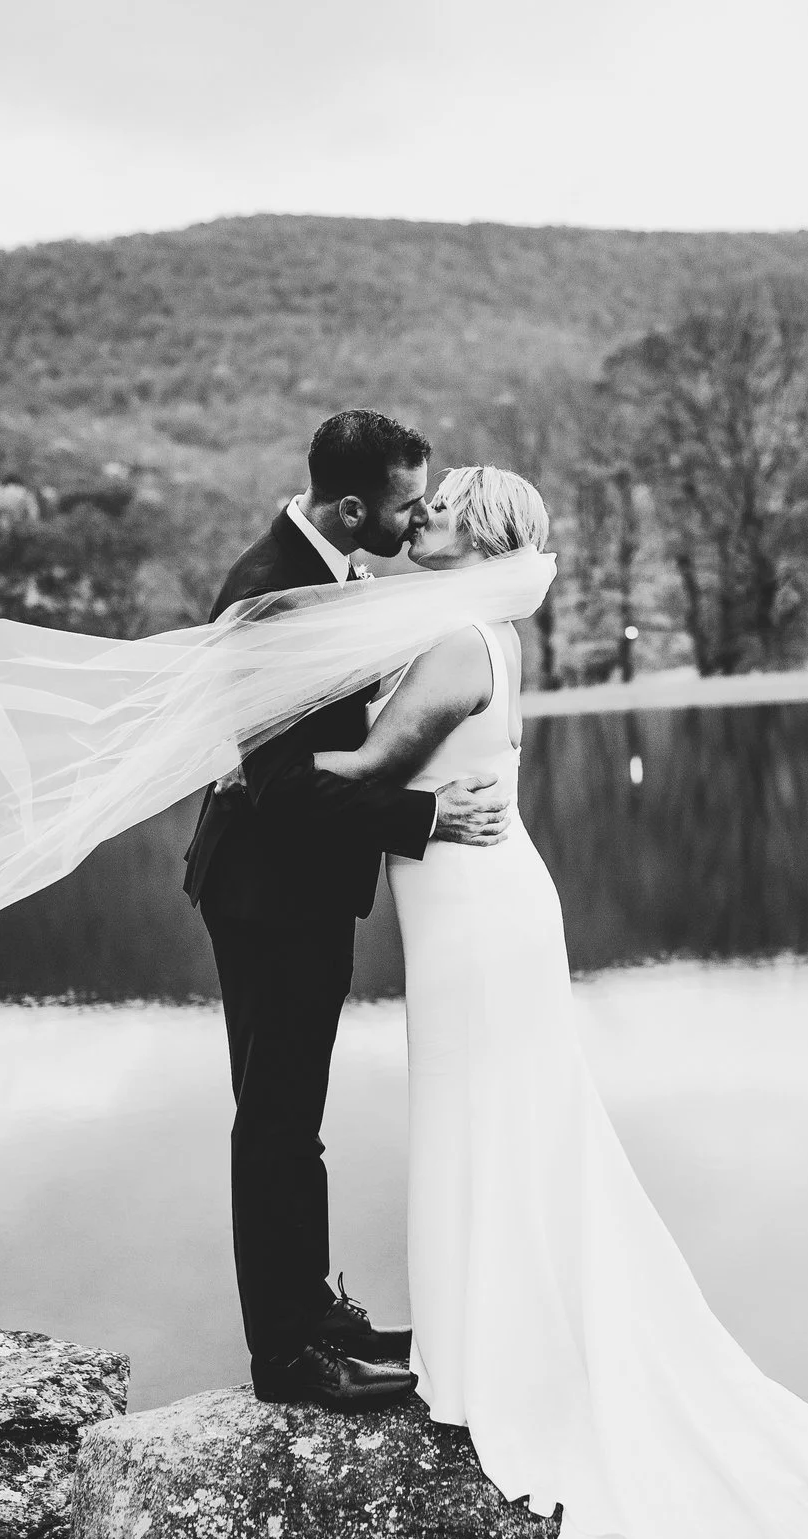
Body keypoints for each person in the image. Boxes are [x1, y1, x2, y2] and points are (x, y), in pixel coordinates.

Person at [310, 465, 808, 1539]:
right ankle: (486, 1341)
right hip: (466, 909)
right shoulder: (468, 627)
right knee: (495, 1123)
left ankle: (509, 1359)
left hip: (477, 915)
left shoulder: (453, 642)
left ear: (475, 540)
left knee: (502, 1120)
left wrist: (242, 766)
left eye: (437, 510)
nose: (417, 516)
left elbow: (364, 776)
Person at [180, 410, 512, 1412]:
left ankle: (315, 1311)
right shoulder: (269, 592)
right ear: (353, 505)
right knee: (274, 1123)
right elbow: (276, 786)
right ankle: (285, 1356)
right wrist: (429, 816)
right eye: (407, 506)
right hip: (264, 892)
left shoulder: (324, 570)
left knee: (297, 1125)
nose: (417, 524)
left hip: (302, 886)